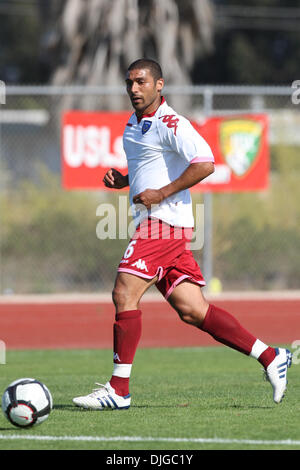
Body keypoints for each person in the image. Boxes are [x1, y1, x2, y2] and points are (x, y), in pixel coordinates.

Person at [73, 59, 292, 410]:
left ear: (160, 85)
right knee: (193, 310)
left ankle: (119, 390)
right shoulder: (134, 122)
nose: (133, 89)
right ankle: (270, 357)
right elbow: (156, 166)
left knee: (123, 291)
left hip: (163, 223)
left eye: (141, 82)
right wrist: (127, 180)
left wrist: (161, 193)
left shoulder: (170, 122)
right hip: (158, 224)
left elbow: (204, 162)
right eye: (129, 83)